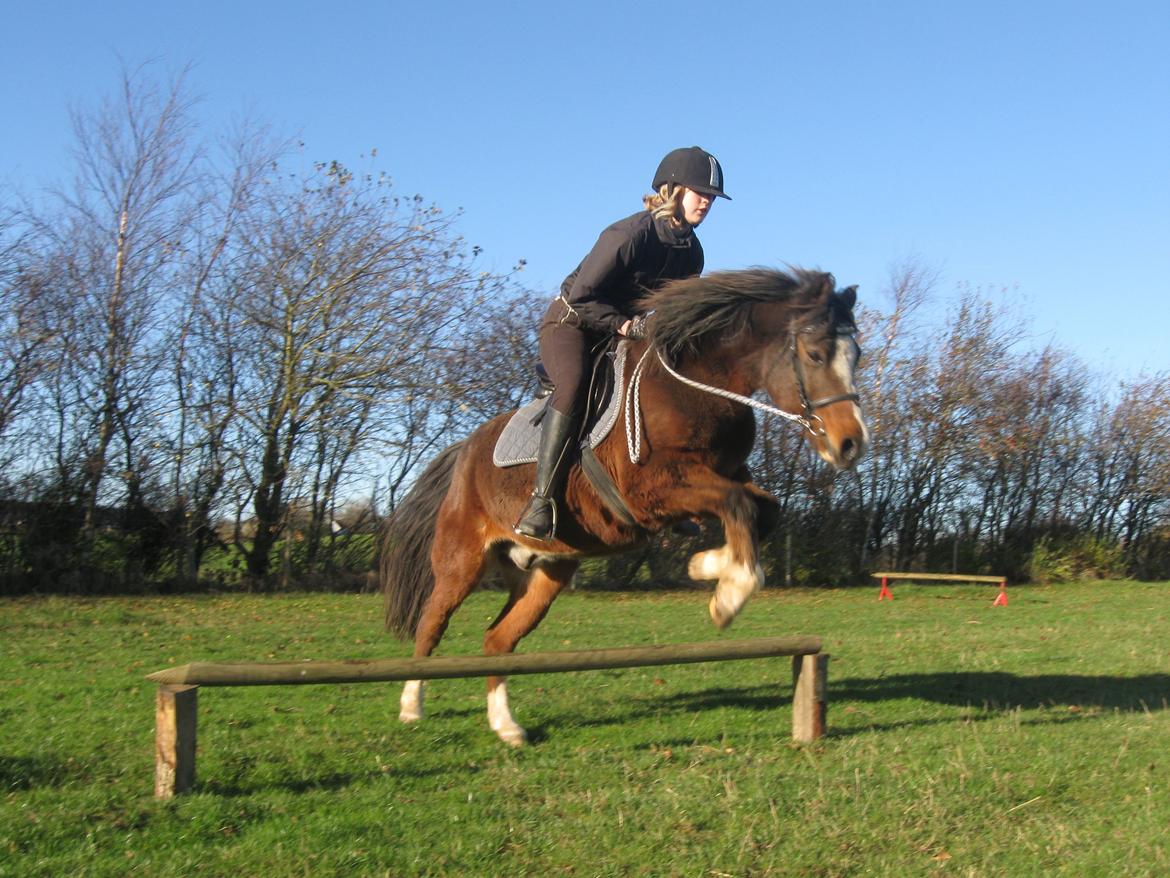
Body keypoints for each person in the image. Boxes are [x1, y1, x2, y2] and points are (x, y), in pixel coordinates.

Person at [513, 146, 730, 541]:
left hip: (627, 336)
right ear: (672, 190)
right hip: (572, 324)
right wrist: (626, 326)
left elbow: (675, 315)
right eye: (701, 192)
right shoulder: (628, 234)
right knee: (576, 381)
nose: (707, 202)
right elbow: (581, 297)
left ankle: (668, 493)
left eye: (712, 197)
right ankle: (542, 500)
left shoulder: (692, 252)